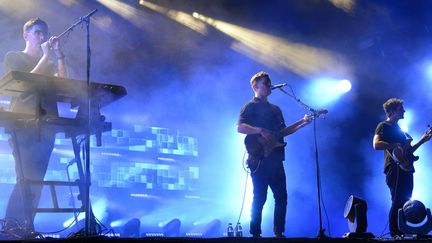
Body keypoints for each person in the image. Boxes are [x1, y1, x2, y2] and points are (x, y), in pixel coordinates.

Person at [3, 18, 67, 235]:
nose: (42, 37)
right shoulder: (14, 57)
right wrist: (46, 56)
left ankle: (27, 226)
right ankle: (11, 225)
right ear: (26, 35)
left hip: (46, 127)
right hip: (22, 125)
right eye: (38, 32)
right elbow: (26, 82)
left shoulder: (49, 63)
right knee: (25, 177)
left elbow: (63, 84)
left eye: (44, 33)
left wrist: (59, 56)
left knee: (38, 180)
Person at [237, 71, 311, 237]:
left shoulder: (276, 109)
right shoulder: (250, 106)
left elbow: (282, 132)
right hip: (259, 159)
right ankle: (255, 233)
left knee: (281, 197)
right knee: (260, 198)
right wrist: (260, 130)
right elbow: (240, 127)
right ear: (255, 86)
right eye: (266, 83)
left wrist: (302, 123)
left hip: (276, 159)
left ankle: (279, 233)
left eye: (270, 82)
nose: (270, 86)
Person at [373, 98, 431, 237]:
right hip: (394, 167)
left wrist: (423, 139)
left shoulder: (400, 130)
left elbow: (408, 151)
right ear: (392, 111)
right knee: (398, 199)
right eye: (400, 109)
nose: (404, 111)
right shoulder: (384, 125)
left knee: (406, 201)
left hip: (406, 168)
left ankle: (402, 232)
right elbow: (376, 144)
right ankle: (394, 233)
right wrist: (393, 145)